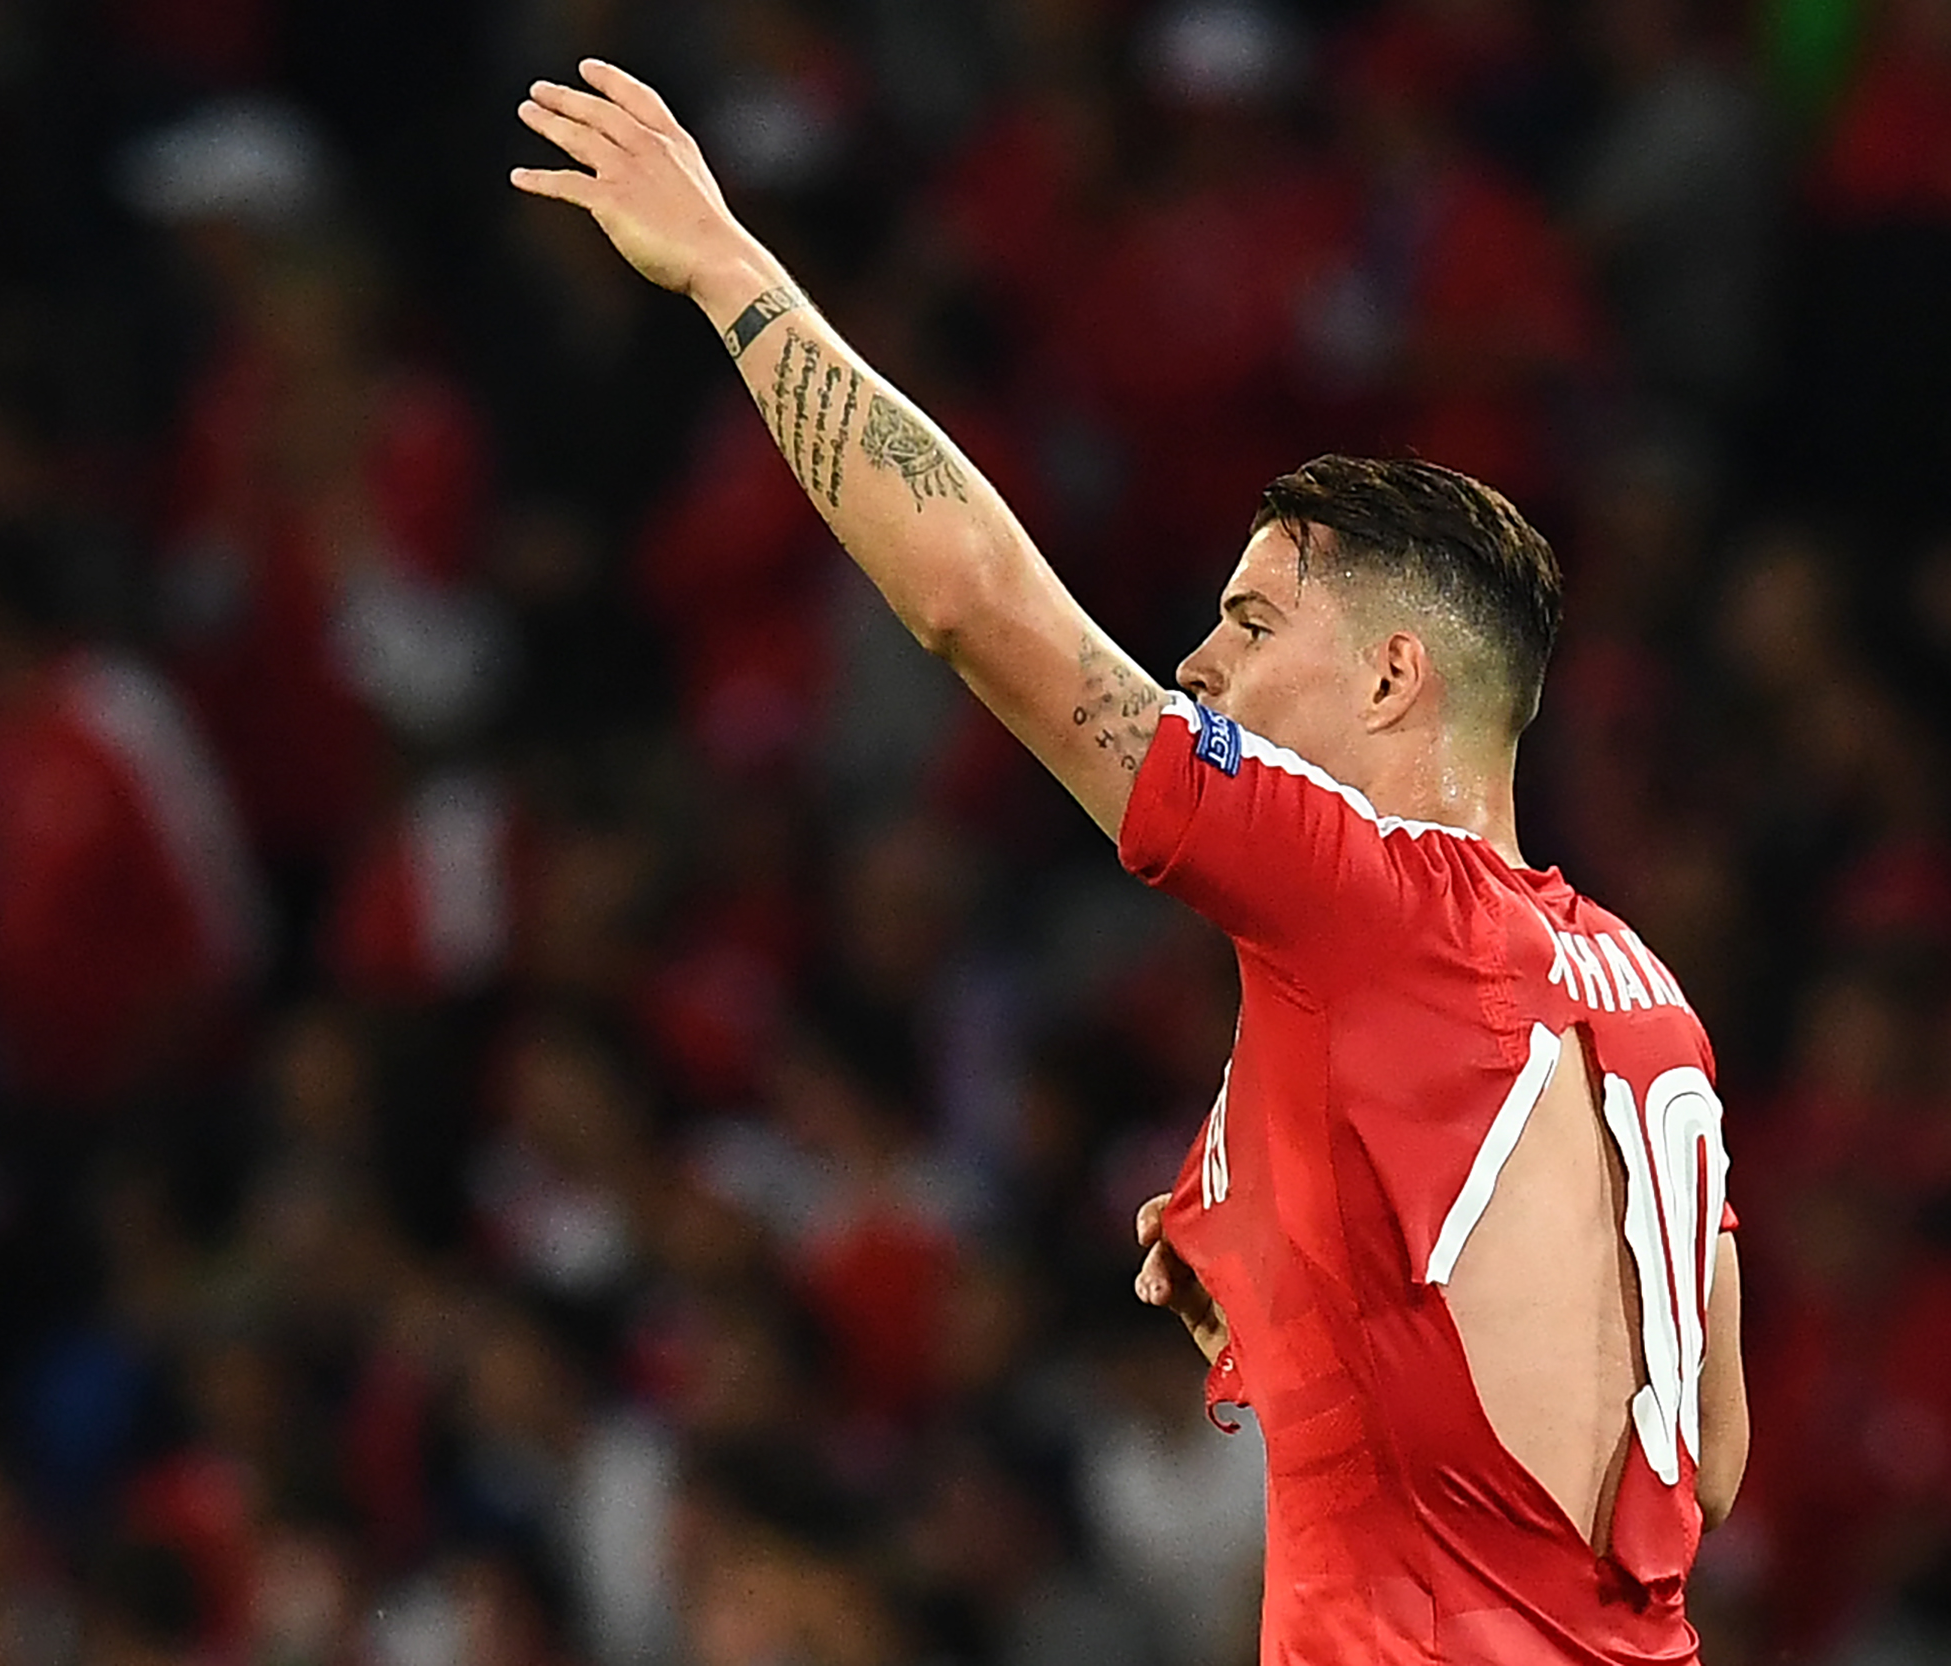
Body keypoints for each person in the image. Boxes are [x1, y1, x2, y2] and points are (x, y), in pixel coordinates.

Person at [510, 59, 1746, 1664]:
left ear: (1394, 678)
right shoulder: (1650, 1002)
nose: (1201, 665)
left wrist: (728, 271)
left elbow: (976, 604)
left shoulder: (1367, 899)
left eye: (1252, 622)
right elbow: (1706, 1454)